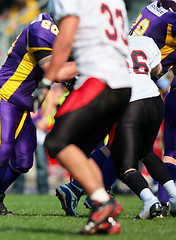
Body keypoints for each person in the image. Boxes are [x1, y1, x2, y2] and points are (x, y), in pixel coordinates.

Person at [0, 13, 77, 217]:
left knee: (22, 161)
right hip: (3, 96)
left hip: (20, 104)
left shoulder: (58, 30)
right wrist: (90, 62)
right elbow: (55, 71)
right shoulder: (42, 29)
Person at [56, 35, 176, 220]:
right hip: (154, 100)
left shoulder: (105, 45)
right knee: (147, 153)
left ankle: (150, 202)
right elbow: (157, 70)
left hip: (129, 102)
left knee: (124, 165)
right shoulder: (145, 41)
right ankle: (174, 195)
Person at [43, 0, 131, 235]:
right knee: (79, 150)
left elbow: (66, 36)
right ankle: (105, 218)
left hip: (99, 78)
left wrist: (45, 83)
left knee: (56, 142)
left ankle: (103, 202)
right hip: (123, 82)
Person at [129, 0, 176, 217]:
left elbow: (158, 69)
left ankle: (161, 201)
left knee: (134, 151)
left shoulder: (153, 11)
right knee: (138, 151)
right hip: (147, 89)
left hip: (135, 86)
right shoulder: (169, 20)